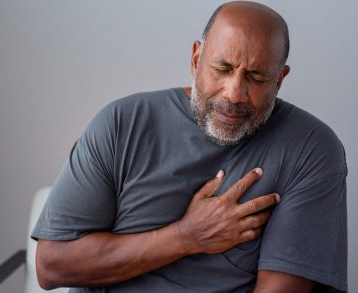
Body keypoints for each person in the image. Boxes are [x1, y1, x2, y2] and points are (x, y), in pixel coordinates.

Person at [32, 1, 347, 292]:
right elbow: (52, 266)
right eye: (222, 69)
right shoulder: (122, 123)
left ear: (280, 80)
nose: (235, 93)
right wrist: (185, 237)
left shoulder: (310, 148)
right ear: (196, 59)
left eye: (256, 77)